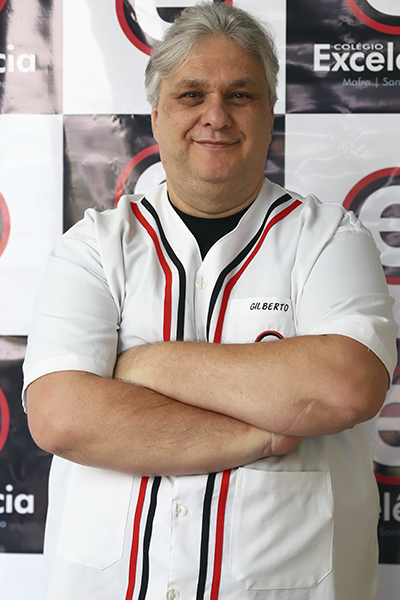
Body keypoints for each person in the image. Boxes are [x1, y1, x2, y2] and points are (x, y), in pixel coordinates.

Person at [23, 3, 397, 600]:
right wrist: (263, 432)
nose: (216, 116)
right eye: (191, 95)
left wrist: (145, 364)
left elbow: (344, 388)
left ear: (270, 112)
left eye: (240, 95)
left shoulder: (329, 237)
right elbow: (62, 417)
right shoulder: (93, 247)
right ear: (157, 113)